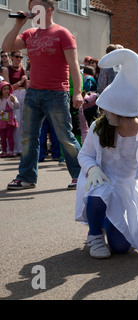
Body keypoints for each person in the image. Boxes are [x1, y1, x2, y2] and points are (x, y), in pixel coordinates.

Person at [75, 49, 138, 259]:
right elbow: (84, 155)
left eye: (109, 110)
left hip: (125, 188)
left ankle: (106, 221)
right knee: (99, 192)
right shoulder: (101, 127)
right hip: (100, 180)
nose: (104, 113)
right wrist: (93, 169)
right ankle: (95, 234)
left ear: (122, 111)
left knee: (121, 247)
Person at [2, 0, 83, 190]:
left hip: (56, 93)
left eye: (35, 9)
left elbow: (74, 65)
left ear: (47, 10)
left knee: (65, 136)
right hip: (34, 93)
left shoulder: (62, 33)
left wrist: (77, 92)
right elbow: (6, 46)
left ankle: (80, 175)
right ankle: (27, 177)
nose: (32, 13)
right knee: (28, 136)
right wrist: (18, 24)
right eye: (30, 10)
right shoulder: (30, 33)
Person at [2, 50, 28, 155]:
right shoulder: (6, 70)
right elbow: (8, 87)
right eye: (17, 57)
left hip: (24, 95)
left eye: (21, 57)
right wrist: (20, 82)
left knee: (23, 122)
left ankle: (21, 148)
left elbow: (26, 86)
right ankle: (12, 149)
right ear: (12, 57)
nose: (19, 59)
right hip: (13, 96)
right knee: (13, 122)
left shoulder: (24, 70)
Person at [0, 81, 19, 157]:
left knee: (10, 135)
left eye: (8, 89)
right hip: (2, 119)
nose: (6, 91)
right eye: (4, 89)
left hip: (10, 119)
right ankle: (4, 151)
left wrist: (14, 101)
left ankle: (11, 150)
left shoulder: (12, 97)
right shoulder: (0, 99)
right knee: (2, 136)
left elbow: (17, 106)